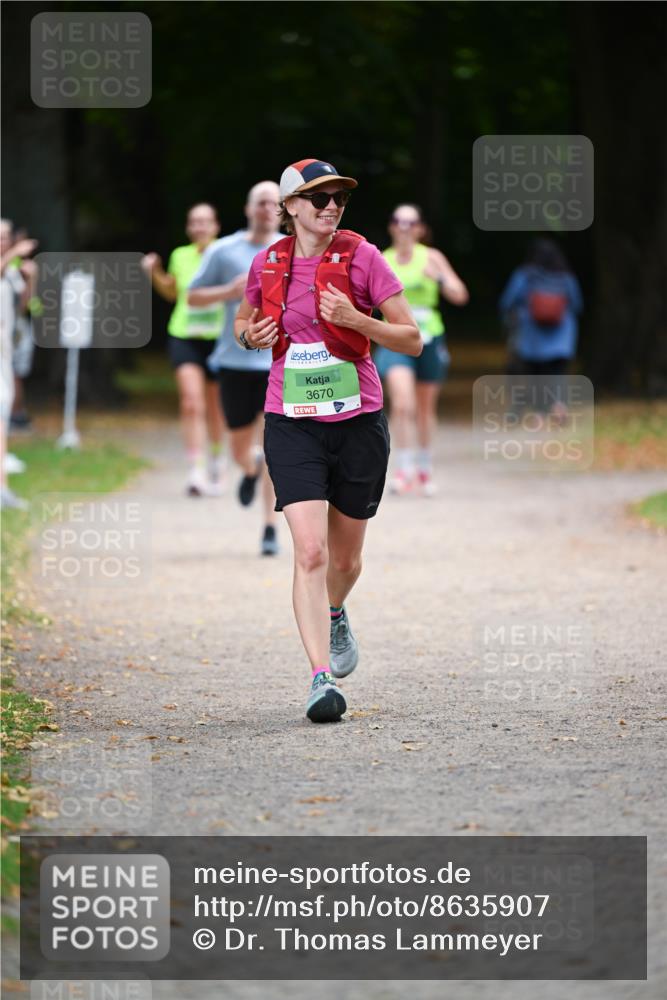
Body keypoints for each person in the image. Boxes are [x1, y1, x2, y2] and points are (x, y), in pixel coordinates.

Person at [233, 158, 421, 723]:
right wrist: (251, 336)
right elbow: (242, 324)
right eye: (319, 198)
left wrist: (358, 320)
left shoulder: (363, 257)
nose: (332, 206)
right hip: (291, 422)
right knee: (310, 551)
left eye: (338, 197)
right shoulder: (267, 262)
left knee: (345, 558)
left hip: (358, 421)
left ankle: (335, 610)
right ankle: (320, 679)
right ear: (290, 207)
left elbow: (411, 339)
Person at [188, 182, 282, 556]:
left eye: (274, 203)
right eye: (261, 203)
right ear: (248, 208)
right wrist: (229, 291)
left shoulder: (291, 250)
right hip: (234, 362)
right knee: (240, 449)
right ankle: (249, 468)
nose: (267, 209)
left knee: (275, 446)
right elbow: (192, 297)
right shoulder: (223, 250)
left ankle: (270, 527)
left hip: (278, 362)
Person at [374, 204, 469, 496]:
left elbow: (460, 295)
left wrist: (439, 279)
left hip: (430, 336)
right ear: (391, 227)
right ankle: (403, 469)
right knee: (403, 404)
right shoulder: (381, 259)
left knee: (425, 408)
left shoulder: (432, 257)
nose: (404, 227)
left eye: (411, 222)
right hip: (395, 337)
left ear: (420, 229)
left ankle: (424, 468)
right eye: (398, 221)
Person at [141, 204, 228, 497]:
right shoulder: (180, 255)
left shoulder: (226, 252)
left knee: (216, 406)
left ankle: (217, 460)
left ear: (216, 226)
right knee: (191, 402)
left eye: (205, 221)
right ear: (189, 228)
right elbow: (171, 292)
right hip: (184, 335)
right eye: (194, 222)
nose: (200, 227)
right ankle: (196, 468)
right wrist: (154, 272)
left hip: (219, 338)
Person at [499, 238, 583, 416]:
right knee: (557, 373)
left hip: (532, 335)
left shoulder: (525, 275)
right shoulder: (565, 277)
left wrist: (511, 320)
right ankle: (559, 405)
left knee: (535, 375)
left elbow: (507, 301)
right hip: (562, 335)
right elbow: (577, 304)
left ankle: (539, 414)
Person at [1, 220, 37, 510]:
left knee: (2, 417)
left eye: (6, 238)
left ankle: (2, 488)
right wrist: (13, 254)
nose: (3, 242)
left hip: (4, 353)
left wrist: (31, 280)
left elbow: (24, 306)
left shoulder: (11, 271)